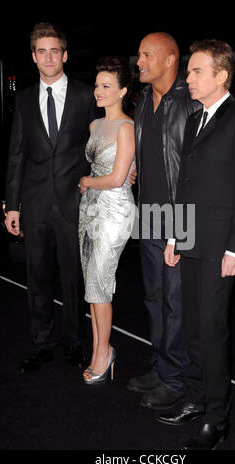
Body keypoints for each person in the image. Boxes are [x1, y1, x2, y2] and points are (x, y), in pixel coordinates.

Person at [159, 39, 235, 450]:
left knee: (212, 329)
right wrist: (175, 235)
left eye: (196, 71)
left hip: (222, 247)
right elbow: (185, 186)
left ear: (221, 75)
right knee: (192, 330)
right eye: (189, 71)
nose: (188, 78)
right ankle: (198, 398)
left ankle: (218, 418)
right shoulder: (192, 121)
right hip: (191, 241)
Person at [5, 22, 102, 373]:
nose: (48, 57)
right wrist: (11, 205)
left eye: (54, 50)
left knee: (74, 277)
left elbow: (99, 144)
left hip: (73, 202)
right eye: (41, 51)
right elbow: (16, 155)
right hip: (33, 204)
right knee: (37, 277)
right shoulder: (24, 99)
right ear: (33, 56)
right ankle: (42, 342)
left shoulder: (85, 94)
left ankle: (74, 342)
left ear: (65, 54)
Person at [127, 32, 201, 409]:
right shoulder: (142, 102)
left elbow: (198, 166)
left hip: (179, 215)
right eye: (139, 54)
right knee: (154, 297)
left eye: (146, 55)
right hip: (148, 214)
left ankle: (176, 378)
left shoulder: (190, 102)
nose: (139, 61)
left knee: (175, 300)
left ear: (170, 60)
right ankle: (160, 366)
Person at [78, 56, 135, 385]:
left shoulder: (127, 127)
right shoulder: (94, 126)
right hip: (89, 210)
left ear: (122, 91)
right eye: (97, 85)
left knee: (101, 286)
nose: (98, 91)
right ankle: (100, 347)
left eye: (106, 87)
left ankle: (104, 352)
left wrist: (86, 182)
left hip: (113, 211)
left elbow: (116, 179)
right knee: (92, 286)